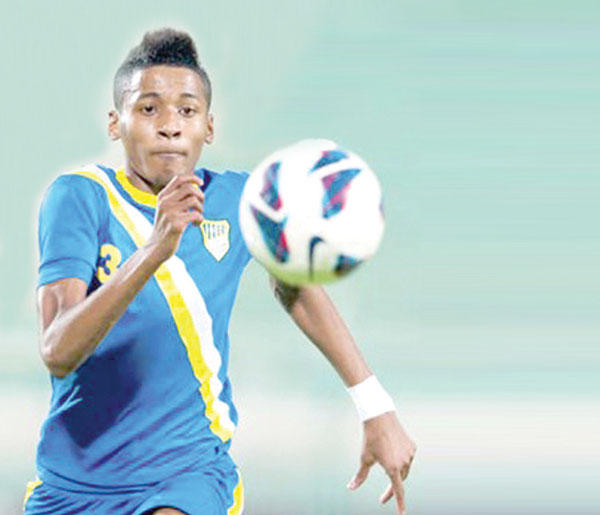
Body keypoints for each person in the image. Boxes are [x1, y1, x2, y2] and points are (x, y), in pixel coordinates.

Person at [24, 28, 416, 515]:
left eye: (187, 111)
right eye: (149, 109)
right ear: (115, 122)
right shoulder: (79, 197)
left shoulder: (240, 200)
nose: (170, 126)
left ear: (208, 126)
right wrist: (153, 251)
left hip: (185, 476)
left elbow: (294, 287)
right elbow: (58, 351)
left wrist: (374, 404)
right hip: (72, 484)